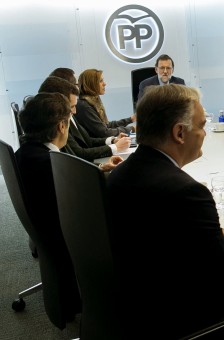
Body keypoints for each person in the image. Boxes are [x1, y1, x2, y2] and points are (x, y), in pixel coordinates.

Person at [106, 84, 224, 337]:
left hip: (134, 313)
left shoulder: (120, 174)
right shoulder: (186, 192)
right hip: (180, 319)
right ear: (179, 133)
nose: (205, 134)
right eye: (200, 126)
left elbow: (162, 235)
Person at [15, 93, 123, 322]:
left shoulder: (28, 153)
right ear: (62, 126)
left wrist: (98, 171)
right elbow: (87, 204)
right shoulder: (47, 163)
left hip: (51, 234)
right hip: (71, 237)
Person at [39, 75, 131, 163]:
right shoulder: (80, 108)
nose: (74, 111)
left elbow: (87, 139)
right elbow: (79, 153)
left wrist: (112, 141)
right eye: (101, 80)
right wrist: (115, 146)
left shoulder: (71, 113)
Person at [76, 69, 136, 138]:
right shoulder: (85, 106)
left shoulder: (92, 101)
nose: (105, 84)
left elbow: (105, 125)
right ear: (91, 84)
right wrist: (132, 128)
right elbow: (104, 132)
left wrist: (131, 119)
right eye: (100, 81)